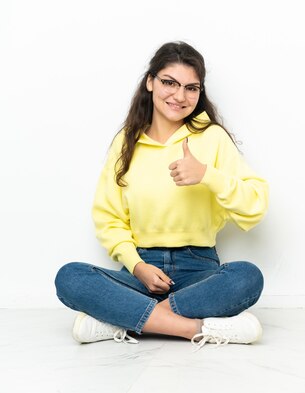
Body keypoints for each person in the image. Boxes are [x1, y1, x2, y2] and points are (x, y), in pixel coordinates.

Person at [54, 41, 268, 350]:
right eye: (170, 82)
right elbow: (109, 217)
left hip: (199, 269)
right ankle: (191, 328)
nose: (180, 96)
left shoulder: (212, 137)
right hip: (140, 269)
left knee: (247, 277)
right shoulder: (127, 142)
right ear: (150, 82)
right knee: (70, 277)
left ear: (199, 92)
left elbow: (255, 205)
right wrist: (137, 265)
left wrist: (207, 175)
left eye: (191, 88)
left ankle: (122, 320)